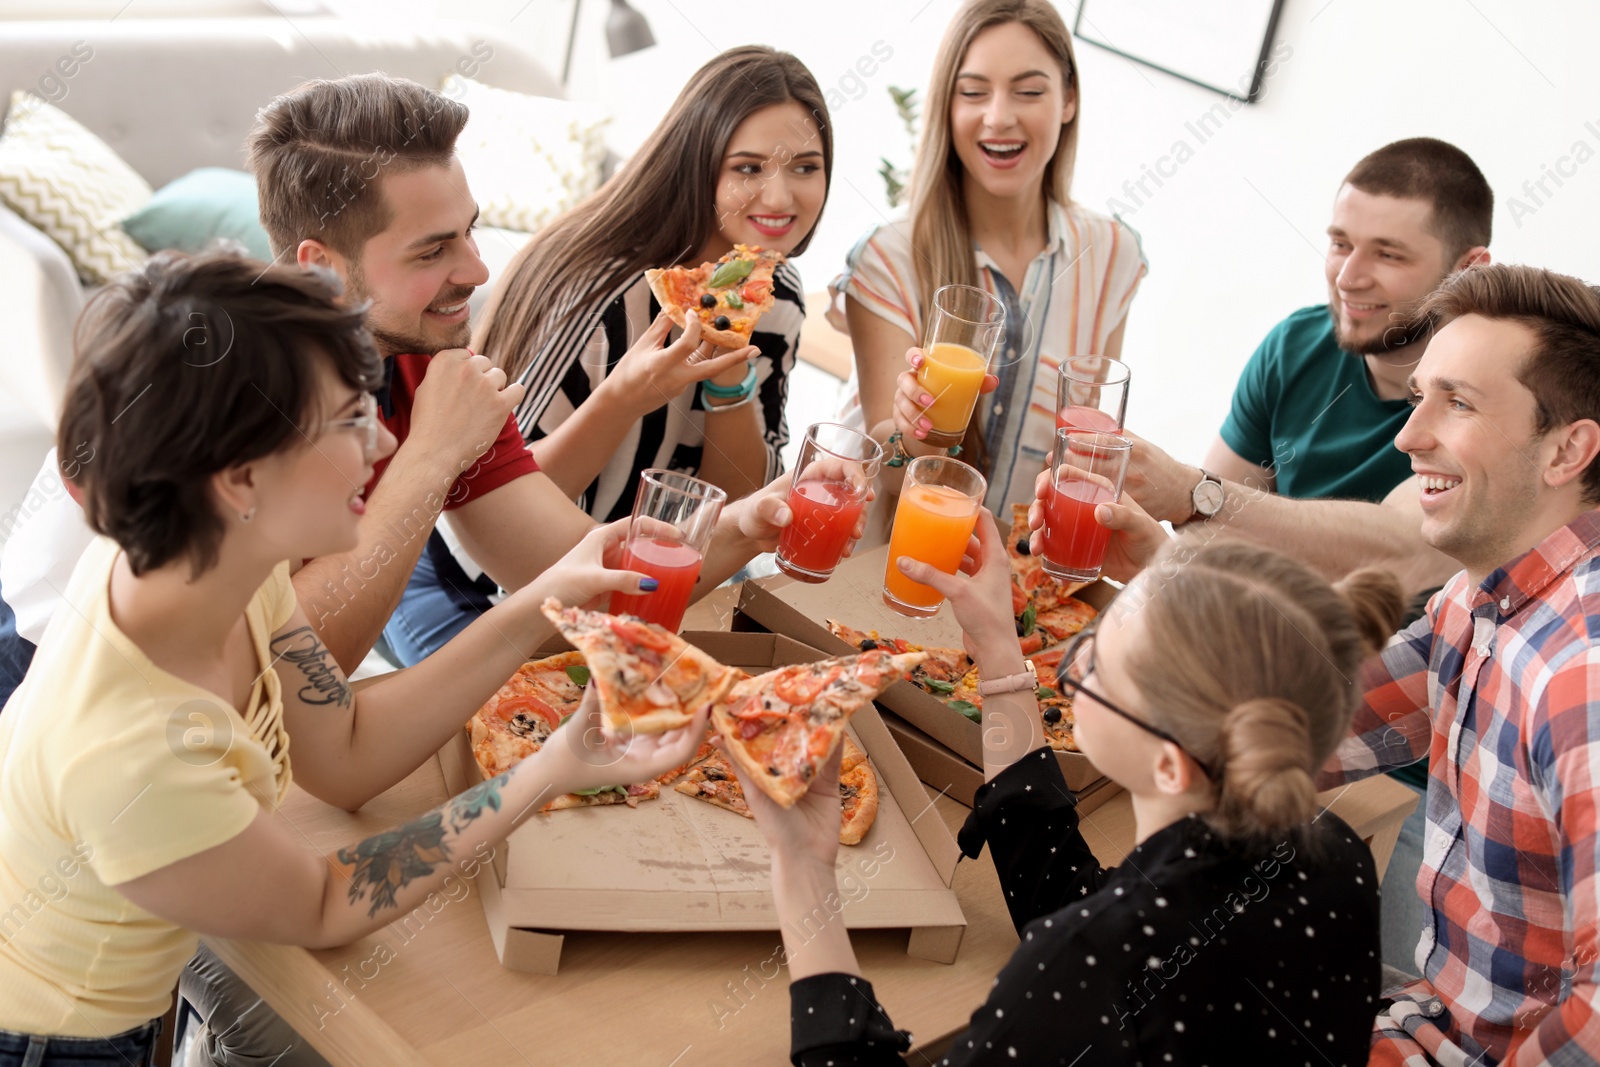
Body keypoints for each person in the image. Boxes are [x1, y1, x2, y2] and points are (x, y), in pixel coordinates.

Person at [0, 251, 714, 1066]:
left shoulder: (210, 556)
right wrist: (551, 769)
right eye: (348, 421)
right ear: (240, 478)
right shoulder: (136, 748)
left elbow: (343, 749)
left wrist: (547, 593)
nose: (382, 441)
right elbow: (327, 901)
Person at [0, 72, 801, 697]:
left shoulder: (420, 359)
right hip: (49, 696)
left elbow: (581, 577)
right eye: (431, 252)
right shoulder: (224, 387)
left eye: (471, 231)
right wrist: (429, 459)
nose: (479, 273)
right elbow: (297, 670)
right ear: (321, 268)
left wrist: (759, 519)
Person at [739, 501, 1403, 1064]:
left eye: (1092, 670)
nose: (1069, 666)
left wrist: (801, 865)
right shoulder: (1335, 851)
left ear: (1171, 763)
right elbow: (1069, 894)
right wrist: (998, 645)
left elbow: (1091, 950)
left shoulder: (1087, 966)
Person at [1117, 136, 1492, 973]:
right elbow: (1199, 541)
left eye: (1387, 253)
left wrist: (1198, 499)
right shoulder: (1296, 347)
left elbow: (1405, 546)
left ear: (1468, 269)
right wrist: (1171, 530)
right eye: (1338, 241)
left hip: (1407, 774)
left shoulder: (1485, 407)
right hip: (1261, 703)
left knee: (1375, 985)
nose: (1348, 276)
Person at [384, 46, 830, 664]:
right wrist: (623, 397)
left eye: (806, 167)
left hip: (635, 589)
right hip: (475, 591)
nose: (779, 196)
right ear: (696, 167)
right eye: (748, 168)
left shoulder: (773, 294)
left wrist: (730, 379)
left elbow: (735, 500)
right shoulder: (602, 294)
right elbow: (493, 502)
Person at [1309, 264, 1600, 1064]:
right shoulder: (1481, 597)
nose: (1408, 437)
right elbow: (1312, 722)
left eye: (1459, 403)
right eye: (1419, 398)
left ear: (1567, 449)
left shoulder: (1582, 676)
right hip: (1424, 1020)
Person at [834, 0, 1146, 512]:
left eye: (1028, 92)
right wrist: (914, 432)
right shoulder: (890, 254)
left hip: (1010, 580)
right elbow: (891, 473)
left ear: (1068, 99)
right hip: (873, 571)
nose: (999, 117)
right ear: (946, 106)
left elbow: (1087, 442)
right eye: (974, 92)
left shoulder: (1112, 255)